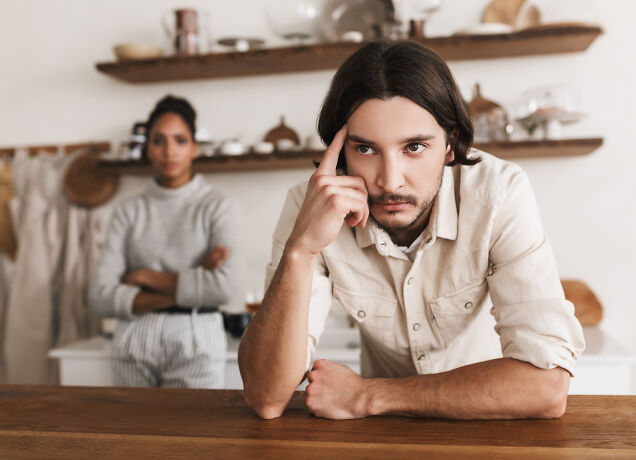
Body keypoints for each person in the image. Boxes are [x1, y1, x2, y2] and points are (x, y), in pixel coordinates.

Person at [238, 41, 585, 420]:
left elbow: (546, 388)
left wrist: (368, 396)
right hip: (382, 440)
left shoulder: (498, 193)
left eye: (414, 147)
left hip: (490, 427)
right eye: (366, 150)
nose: (390, 181)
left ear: (451, 145)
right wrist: (300, 250)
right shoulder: (313, 206)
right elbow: (266, 398)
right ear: (338, 153)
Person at [89, 95, 243, 388]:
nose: (169, 151)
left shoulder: (219, 207)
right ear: (147, 148)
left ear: (194, 148)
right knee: (131, 434)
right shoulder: (127, 211)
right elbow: (100, 295)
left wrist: (145, 277)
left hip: (198, 333)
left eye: (180, 140)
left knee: (192, 433)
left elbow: (226, 287)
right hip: (133, 336)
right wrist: (196, 280)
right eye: (158, 141)